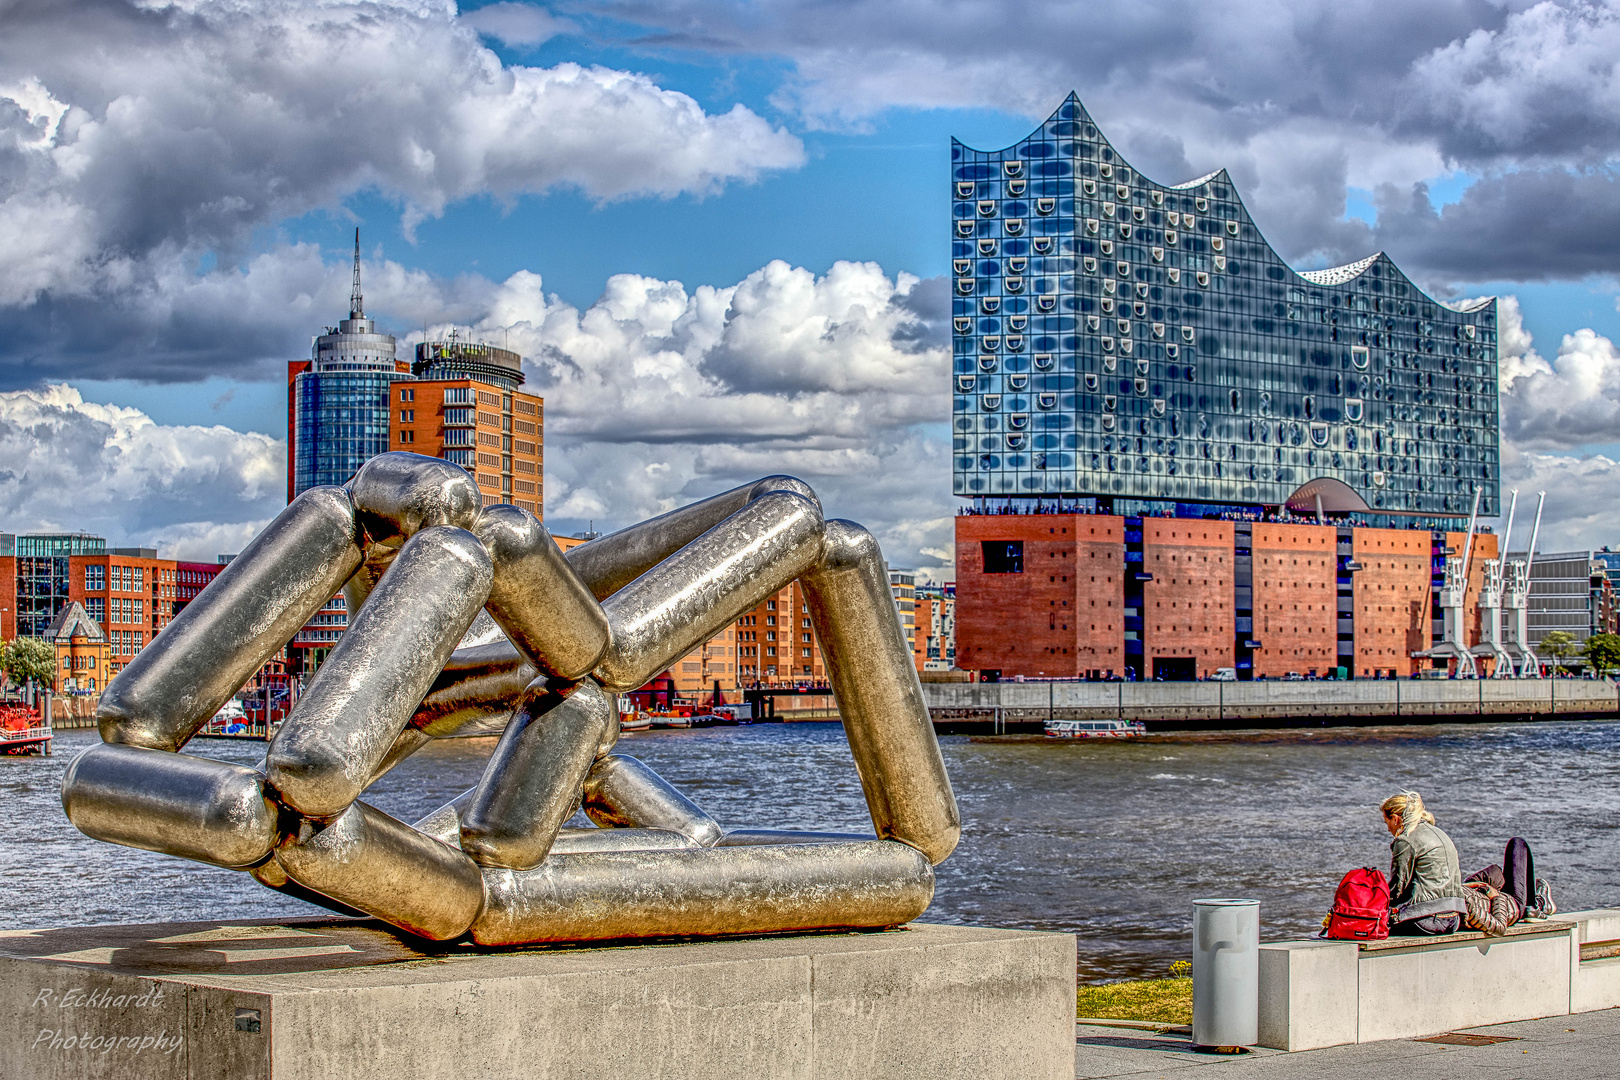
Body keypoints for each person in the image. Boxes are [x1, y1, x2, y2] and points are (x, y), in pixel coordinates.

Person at [1381, 791, 1468, 936]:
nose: (1388, 829)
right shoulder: (1439, 832)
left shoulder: (1405, 840)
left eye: (1387, 823)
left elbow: (1397, 888)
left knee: (1370, 924)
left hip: (1426, 920)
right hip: (1453, 918)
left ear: (1396, 819)